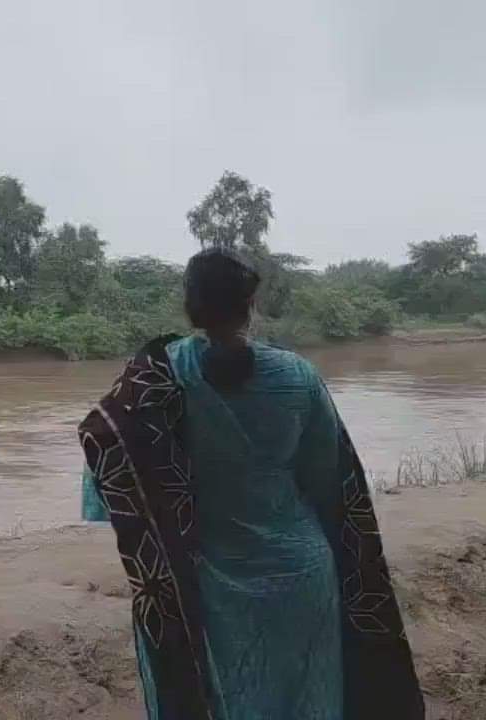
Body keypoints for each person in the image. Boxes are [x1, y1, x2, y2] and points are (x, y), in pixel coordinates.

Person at [77, 248, 423, 719]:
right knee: (310, 700)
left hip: (207, 585)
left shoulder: (153, 381)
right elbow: (331, 483)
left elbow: (109, 448)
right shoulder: (298, 376)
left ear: (189, 306)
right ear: (251, 304)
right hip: (303, 575)